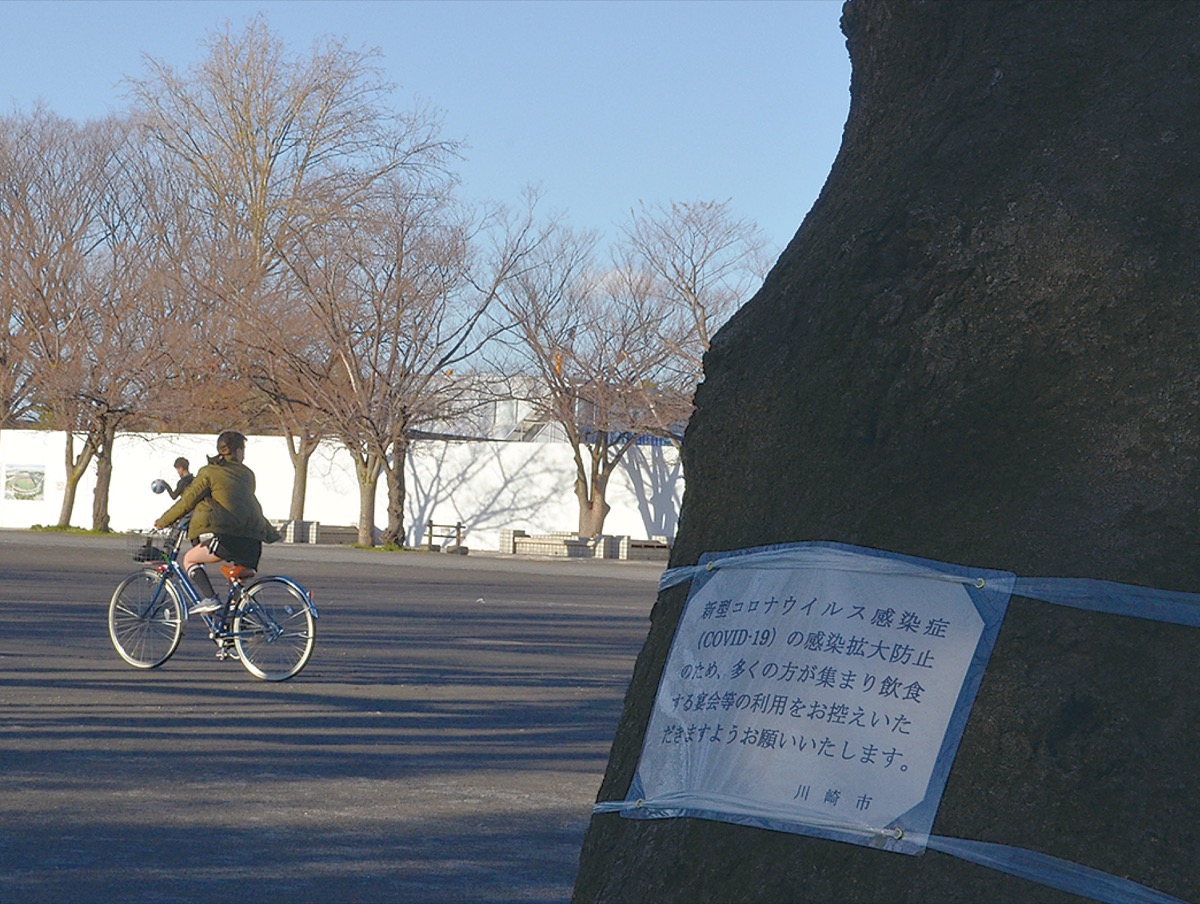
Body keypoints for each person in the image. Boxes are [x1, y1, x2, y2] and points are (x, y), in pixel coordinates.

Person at [154, 430, 282, 615]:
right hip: (255, 543)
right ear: (237, 451)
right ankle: (234, 631)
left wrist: (163, 521)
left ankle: (210, 598)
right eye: (243, 450)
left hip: (230, 537)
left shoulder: (209, 472)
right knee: (236, 584)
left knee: (189, 559)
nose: (244, 454)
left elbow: (187, 501)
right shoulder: (248, 474)